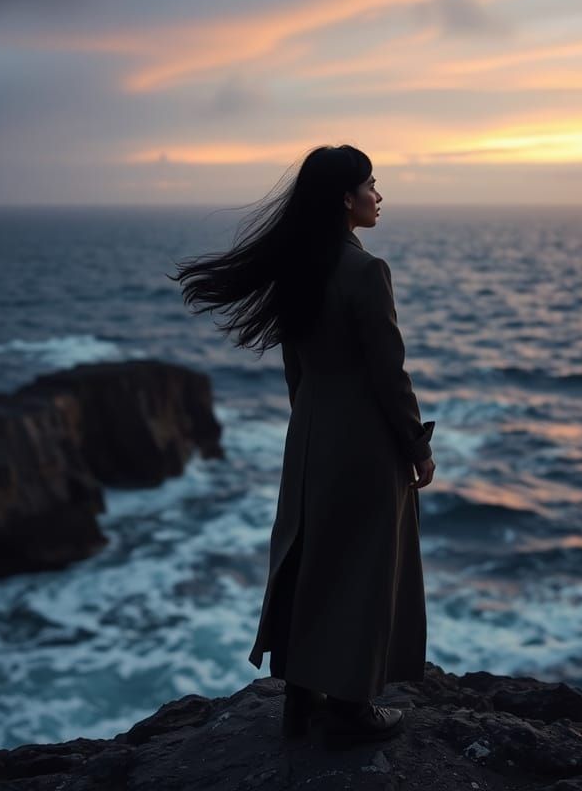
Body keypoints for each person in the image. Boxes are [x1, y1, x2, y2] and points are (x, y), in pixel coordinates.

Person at [173, 144, 436, 747]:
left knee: (311, 557)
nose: (378, 195)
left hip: (311, 433)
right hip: (366, 442)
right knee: (364, 567)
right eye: (372, 184)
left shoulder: (302, 265)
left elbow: (297, 366)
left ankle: (299, 697)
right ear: (347, 198)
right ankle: (349, 707)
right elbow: (388, 373)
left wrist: (310, 425)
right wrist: (416, 446)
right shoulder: (365, 271)